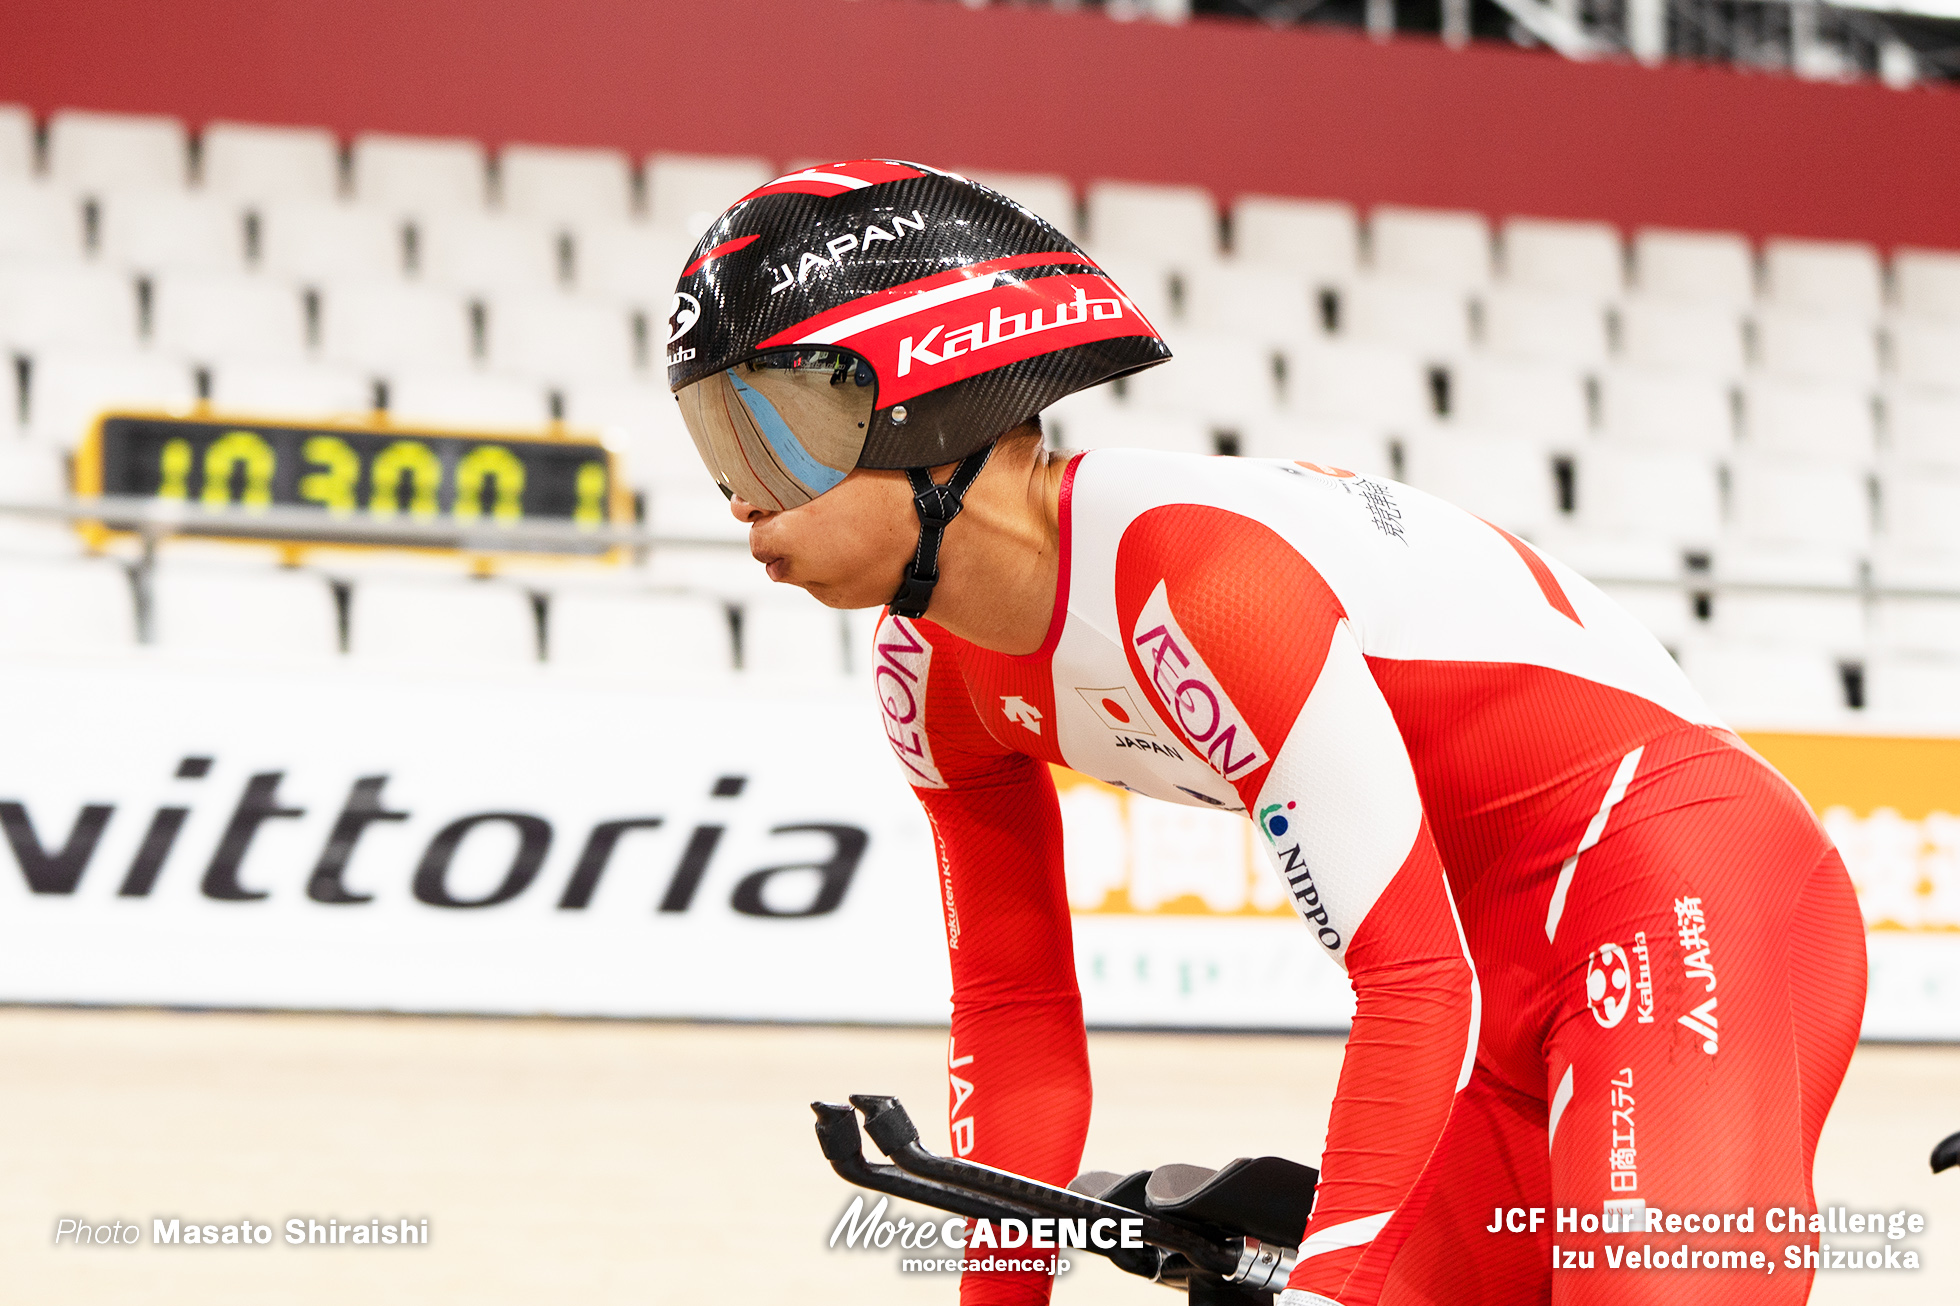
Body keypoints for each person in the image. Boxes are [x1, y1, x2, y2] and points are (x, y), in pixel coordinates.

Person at [667, 161, 1867, 1305]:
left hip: (1677, 886)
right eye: (716, 440)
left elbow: (1406, 981)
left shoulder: (1197, 580)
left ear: (933, 414)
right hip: (1482, 966)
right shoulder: (924, 673)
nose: (740, 498)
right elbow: (1012, 1015)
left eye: (771, 432)